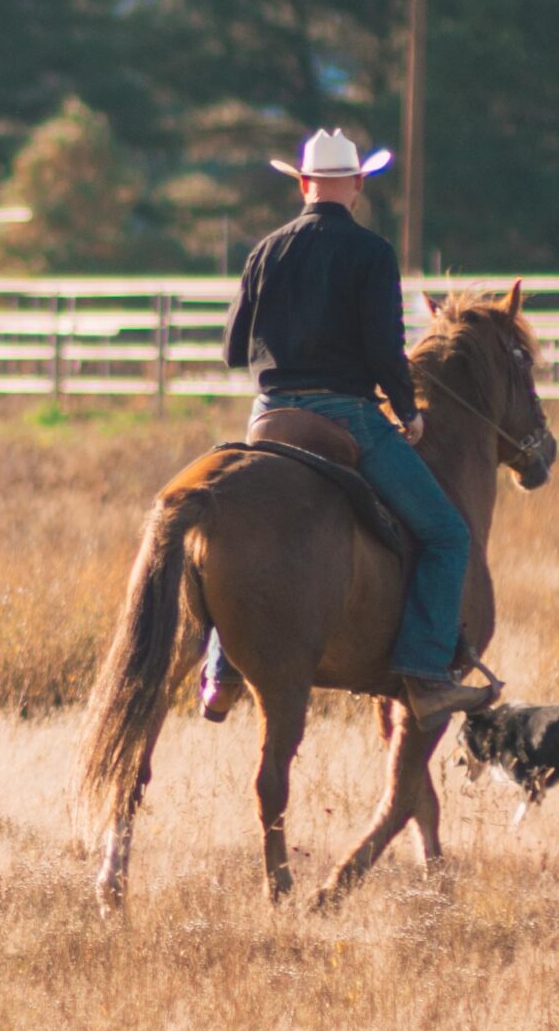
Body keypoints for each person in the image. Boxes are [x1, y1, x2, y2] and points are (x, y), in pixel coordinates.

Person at [200, 128, 491, 730]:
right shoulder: (372, 253)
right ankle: (424, 672)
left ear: (304, 185)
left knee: (230, 528)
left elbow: (233, 349)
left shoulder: (265, 250)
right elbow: (387, 351)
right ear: (356, 186)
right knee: (446, 536)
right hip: (347, 416)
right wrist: (407, 412)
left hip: (269, 417)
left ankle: (221, 669)